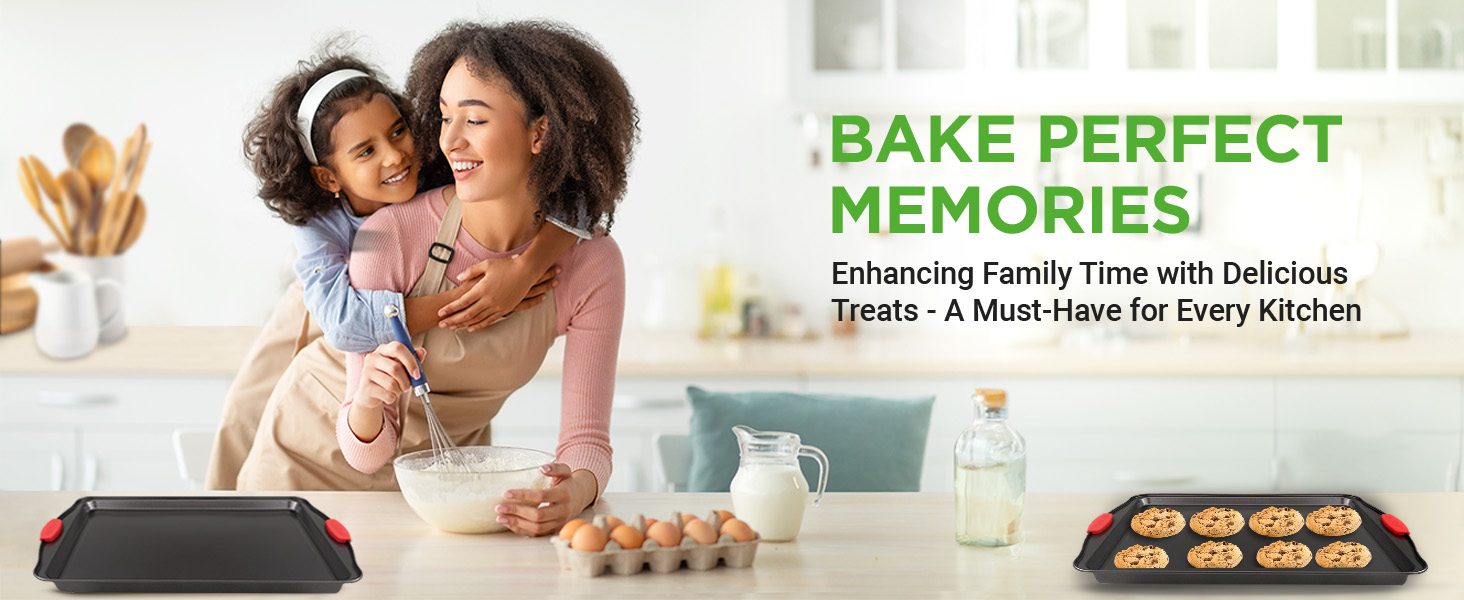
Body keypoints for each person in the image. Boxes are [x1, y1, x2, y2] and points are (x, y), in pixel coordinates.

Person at [239, 20, 636, 540]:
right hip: (314, 458)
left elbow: (586, 440)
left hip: (448, 488)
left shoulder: (591, 260)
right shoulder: (382, 237)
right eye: (445, 117)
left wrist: (575, 491)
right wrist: (370, 398)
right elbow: (363, 437)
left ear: (540, 132)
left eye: (472, 119)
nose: (445, 141)